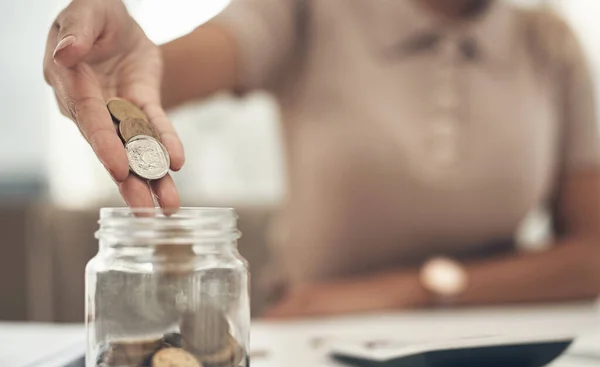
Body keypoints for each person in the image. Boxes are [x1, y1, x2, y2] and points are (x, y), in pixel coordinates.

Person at [44, 0, 600, 319]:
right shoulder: (311, 9)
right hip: (313, 337)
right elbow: (172, 68)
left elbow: (592, 253)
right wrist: (111, 61)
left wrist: (407, 290)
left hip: (502, 338)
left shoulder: (548, 42)